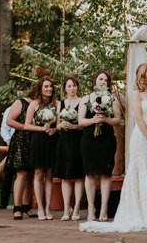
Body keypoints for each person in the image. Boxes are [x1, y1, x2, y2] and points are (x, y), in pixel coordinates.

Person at [80, 63, 147, 232]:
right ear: (142, 76)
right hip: (142, 139)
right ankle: (143, 215)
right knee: (142, 172)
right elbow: (139, 119)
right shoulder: (136, 94)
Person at [78, 70, 121, 222]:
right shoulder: (86, 98)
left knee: (105, 173)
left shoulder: (112, 99)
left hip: (106, 139)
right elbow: (80, 121)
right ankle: (91, 209)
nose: (103, 82)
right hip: (89, 139)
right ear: (95, 80)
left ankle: (104, 209)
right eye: (100, 79)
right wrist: (93, 121)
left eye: (106, 80)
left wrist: (105, 120)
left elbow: (117, 120)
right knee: (90, 173)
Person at [24, 77, 59, 220]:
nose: (49, 89)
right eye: (46, 87)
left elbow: (59, 124)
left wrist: (54, 130)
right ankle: (39, 208)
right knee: (38, 173)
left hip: (51, 140)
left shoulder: (56, 104)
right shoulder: (34, 104)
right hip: (38, 140)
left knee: (50, 174)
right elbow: (26, 125)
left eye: (51, 86)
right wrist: (40, 128)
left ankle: (47, 208)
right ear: (40, 88)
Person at [54, 77, 84, 221]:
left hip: (77, 140)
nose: (72, 88)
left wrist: (74, 126)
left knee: (78, 176)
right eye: (69, 86)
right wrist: (60, 126)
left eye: (74, 86)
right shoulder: (61, 103)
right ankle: (67, 208)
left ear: (77, 87)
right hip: (64, 141)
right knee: (65, 176)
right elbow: (57, 124)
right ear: (65, 88)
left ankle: (77, 206)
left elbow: (84, 124)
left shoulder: (82, 102)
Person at [5, 89, 34, 220]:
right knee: (21, 173)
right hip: (22, 140)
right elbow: (9, 121)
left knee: (30, 174)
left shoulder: (44, 105)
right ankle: (17, 207)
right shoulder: (21, 103)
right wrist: (26, 126)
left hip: (35, 140)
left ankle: (27, 206)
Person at [0, 102, 15, 210]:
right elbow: (4, 127)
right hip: (11, 143)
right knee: (8, 174)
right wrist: (8, 140)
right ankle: (3, 203)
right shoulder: (10, 109)